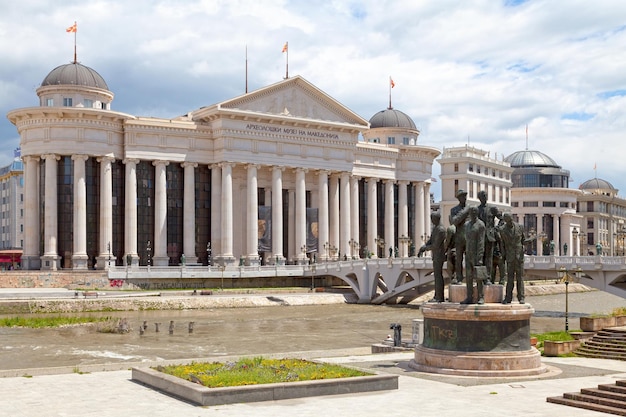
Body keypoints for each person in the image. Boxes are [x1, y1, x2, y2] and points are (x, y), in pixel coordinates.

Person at [418, 212, 447, 303]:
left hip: (439, 255)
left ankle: (439, 297)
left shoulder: (441, 230)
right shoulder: (436, 228)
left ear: (436, 219)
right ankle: (437, 295)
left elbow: (435, 245)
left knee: (438, 276)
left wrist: (425, 248)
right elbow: (431, 241)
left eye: (432, 219)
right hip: (436, 255)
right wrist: (423, 247)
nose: (431, 221)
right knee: (437, 276)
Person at [500, 212, 526, 304]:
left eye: (511, 220)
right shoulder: (502, 230)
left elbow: (523, 240)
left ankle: (521, 297)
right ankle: (508, 298)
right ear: (505, 221)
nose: (510, 222)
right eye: (508, 221)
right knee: (510, 278)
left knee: (520, 278)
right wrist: (503, 257)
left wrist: (524, 248)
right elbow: (502, 245)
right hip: (509, 257)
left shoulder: (520, 227)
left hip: (519, 257)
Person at [461, 206, 486, 304]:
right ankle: (469, 297)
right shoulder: (467, 225)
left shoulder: (480, 225)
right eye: (471, 213)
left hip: (477, 255)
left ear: (477, 213)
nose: (472, 214)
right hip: (468, 254)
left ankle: (481, 297)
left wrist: (480, 256)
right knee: (469, 277)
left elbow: (481, 242)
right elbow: (465, 239)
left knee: (479, 277)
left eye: (474, 212)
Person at [449, 189, 469, 284]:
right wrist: (465, 212)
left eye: (465, 196)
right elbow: (454, 222)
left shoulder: (471, 209)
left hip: (469, 237)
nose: (464, 198)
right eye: (462, 196)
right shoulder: (454, 210)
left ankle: (470, 277)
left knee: (470, 259)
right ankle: (459, 278)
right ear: (458, 198)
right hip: (459, 236)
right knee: (458, 259)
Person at [477, 191, 497, 284]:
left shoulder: (492, 209)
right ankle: (481, 277)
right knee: (481, 258)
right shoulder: (477, 210)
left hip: (489, 237)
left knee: (489, 258)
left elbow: (501, 218)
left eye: (485, 196)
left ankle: (488, 278)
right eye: (482, 196)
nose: (484, 198)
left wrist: (495, 229)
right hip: (480, 237)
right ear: (479, 198)